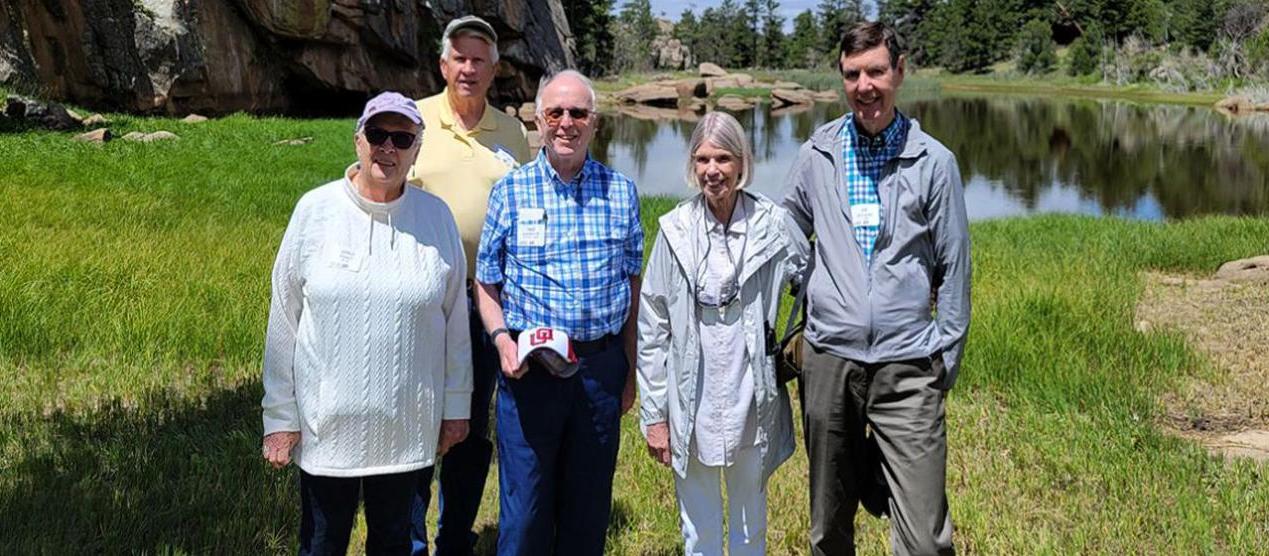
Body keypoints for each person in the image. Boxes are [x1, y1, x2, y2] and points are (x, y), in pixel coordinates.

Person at [780, 22, 972, 556]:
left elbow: (955, 268)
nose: (865, 86)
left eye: (876, 72)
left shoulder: (934, 162)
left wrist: (944, 362)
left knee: (925, 537)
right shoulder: (817, 155)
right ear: (842, 78)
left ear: (900, 72)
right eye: (852, 74)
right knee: (828, 526)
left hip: (909, 364)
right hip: (828, 359)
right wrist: (807, 274)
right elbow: (788, 221)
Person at [260, 91, 472, 556]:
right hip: (326, 425)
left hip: (407, 425)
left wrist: (457, 406)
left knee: (395, 543)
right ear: (358, 140)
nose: (388, 149)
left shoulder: (436, 218)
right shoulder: (314, 211)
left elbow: (457, 320)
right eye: (378, 135)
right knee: (321, 544)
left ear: (418, 149)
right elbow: (284, 319)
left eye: (402, 138)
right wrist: (279, 415)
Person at [473, 69, 643, 556]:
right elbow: (486, 281)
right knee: (525, 515)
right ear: (539, 121)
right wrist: (503, 340)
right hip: (530, 371)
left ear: (595, 123)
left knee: (587, 511)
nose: (566, 122)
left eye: (578, 113)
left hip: (599, 370)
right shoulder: (510, 191)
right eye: (556, 112)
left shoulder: (622, 192)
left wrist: (628, 370)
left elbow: (633, 286)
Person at [637, 111, 807, 555]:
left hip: (751, 391)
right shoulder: (674, 230)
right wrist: (655, 415)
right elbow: (653, 325)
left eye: (723, 159)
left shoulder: (771, 223)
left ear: (742, 162)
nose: (712, 171)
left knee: (751, 523)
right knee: (699, 528)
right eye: (702, 159)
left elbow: (810, 278)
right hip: (690, 394)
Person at [405, 15, 532, 556]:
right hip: (421, 300)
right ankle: (408, 538)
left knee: (470, 425)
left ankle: (452, 537)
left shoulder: (513, 133)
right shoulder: (413, 121)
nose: (469, 68)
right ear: (443, 64)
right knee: (414, 418)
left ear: (494, 68)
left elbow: (529, 216)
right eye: (460, 57)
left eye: (480, 58)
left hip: (486, 300)